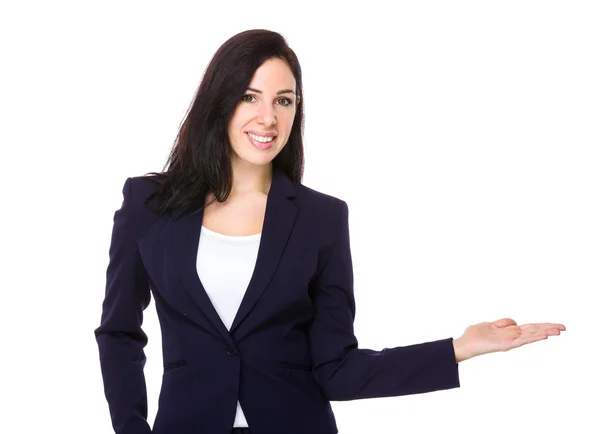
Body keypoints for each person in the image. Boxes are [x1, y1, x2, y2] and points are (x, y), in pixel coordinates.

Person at [94, 29, 566, 434]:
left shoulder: (321, 219)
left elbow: (338, 369)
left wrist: (459, 348)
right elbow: (119, 332)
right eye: (250, 97)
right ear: (221, 103)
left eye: (284, 100)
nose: (268, 118)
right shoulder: (149, 205)